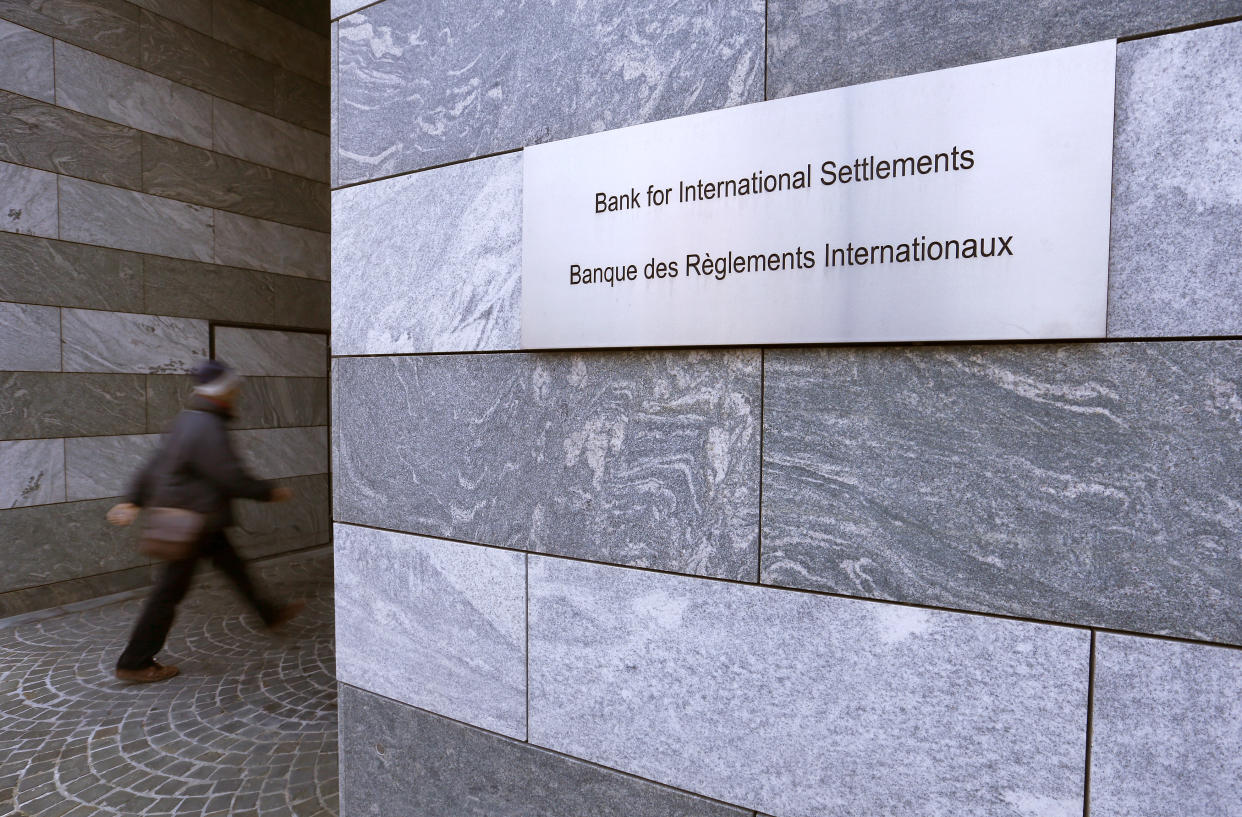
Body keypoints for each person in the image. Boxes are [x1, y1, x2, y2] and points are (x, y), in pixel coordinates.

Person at [107, 359, 303, 683]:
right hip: (193, 522)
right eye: (235, 388)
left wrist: (135, 499)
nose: (238, 394)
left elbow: (155, 463)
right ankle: (135, 661)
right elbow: (228, 474)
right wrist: (267, 492)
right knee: (168, 593)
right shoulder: (207, 426)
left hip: (203, 520)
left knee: (235, 568)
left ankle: (269, 613)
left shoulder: (189, 419)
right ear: (224, 391)